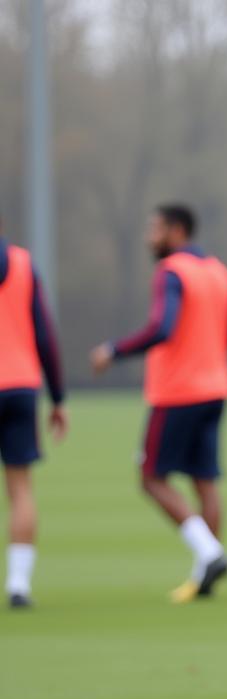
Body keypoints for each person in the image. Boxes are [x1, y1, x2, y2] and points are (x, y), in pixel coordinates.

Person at [90, 204, 227, 603]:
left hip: (177, 392)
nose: (149, 236)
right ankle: (205, 574)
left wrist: (113, 350)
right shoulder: (219, 272)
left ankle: (211, 554)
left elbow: (163, 327)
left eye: (155, 229)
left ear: (176, 230)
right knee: (204, 480)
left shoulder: (172, 271)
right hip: (216, 387)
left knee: (151, 477)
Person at [0, 216, 68, 608]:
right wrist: (57, 397)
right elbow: (45, 334)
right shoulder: (23, 264)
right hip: (21, 387)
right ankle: (18, 584)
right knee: (20, 487)